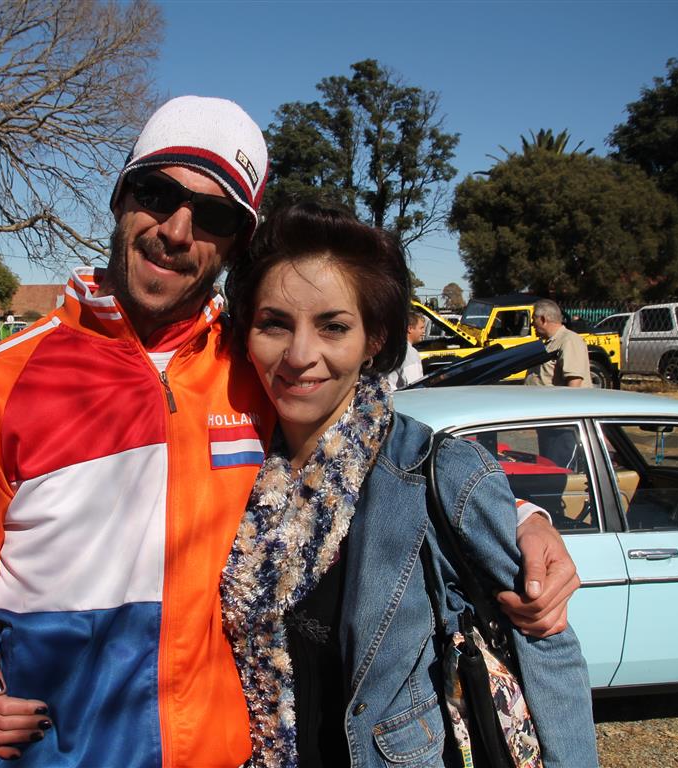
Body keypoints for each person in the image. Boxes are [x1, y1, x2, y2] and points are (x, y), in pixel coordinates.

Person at [0, 98, 578, 768]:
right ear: (120, 196)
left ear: (235, 245)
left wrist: (521, 520)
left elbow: (370, 445)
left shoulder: (252, 367)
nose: (176, 230)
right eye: (157, 194)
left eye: (214, 215)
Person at [219, 202, 597, 767]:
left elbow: (546, 646)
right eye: (274, 323)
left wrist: (525, 518)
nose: (299, 356)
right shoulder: (230, 463)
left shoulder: (439, 473)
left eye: (333, 326)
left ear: (374, 339)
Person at [526, 298, 591, 388]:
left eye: (534, 319)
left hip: (557, 397)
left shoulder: (569, 340)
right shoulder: (552, 342)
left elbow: (574, 383)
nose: (532, 324)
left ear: (543, 319)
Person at [389, 309, 426, 389]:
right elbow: (414, 385)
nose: (424, 332)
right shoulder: (408, 352)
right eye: (421, 328)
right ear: (409, 329)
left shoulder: (392, 347)